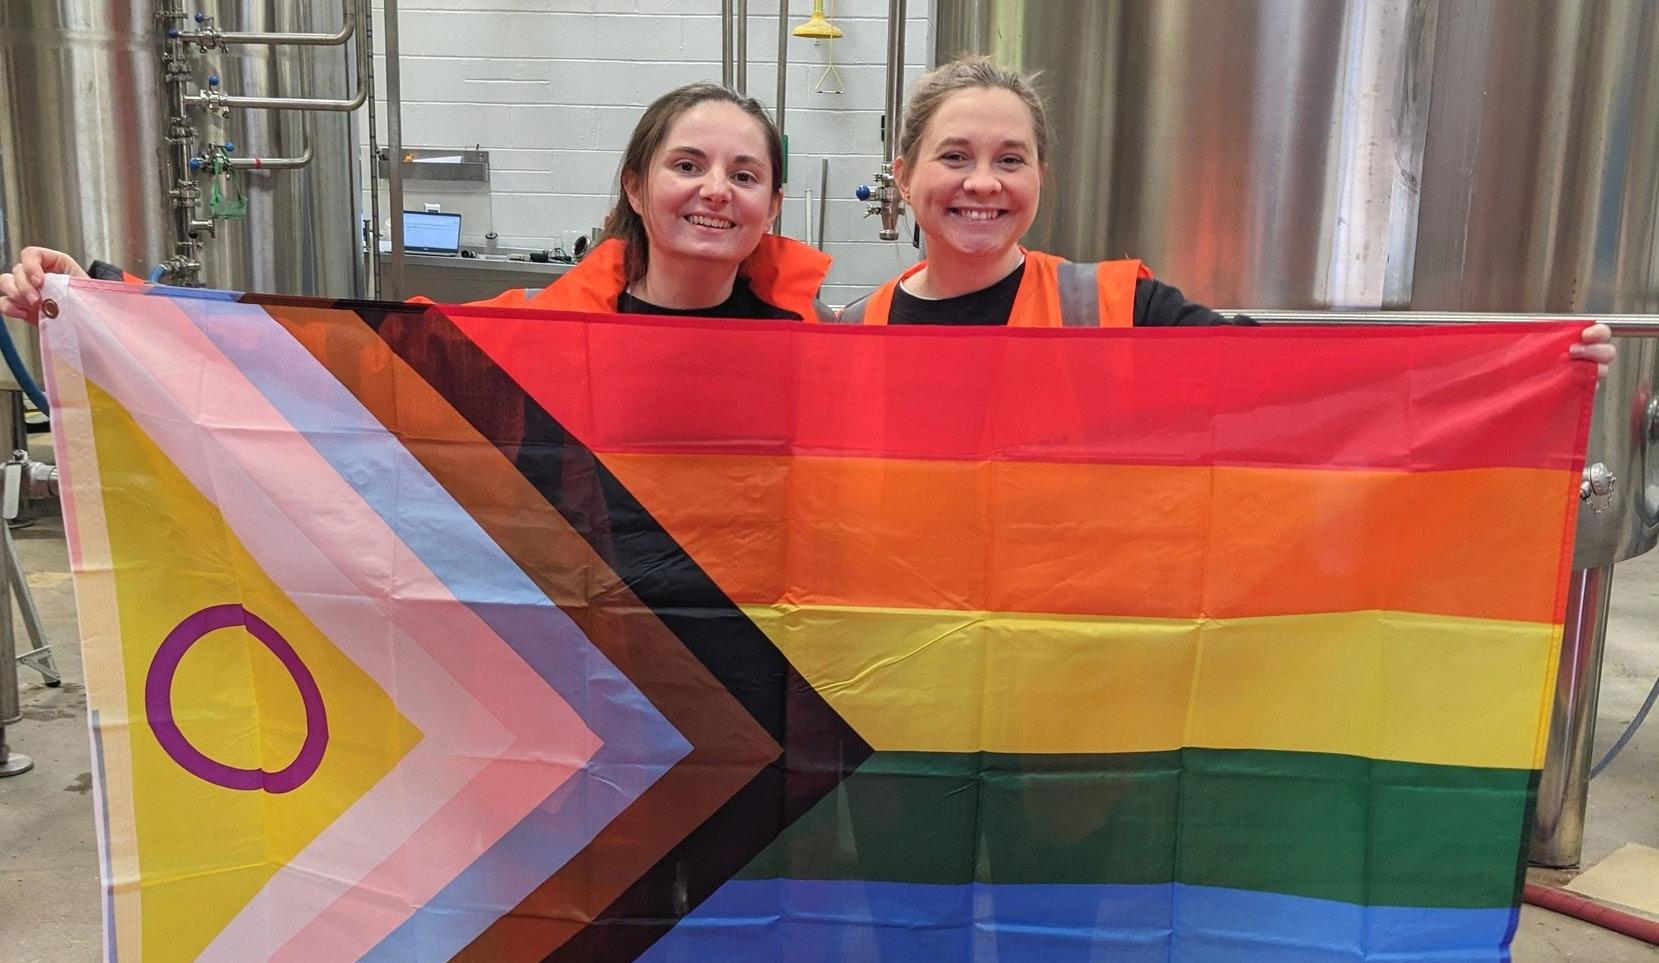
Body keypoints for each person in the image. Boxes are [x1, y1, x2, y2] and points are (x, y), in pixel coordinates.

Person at [834, 56, 1616, 374]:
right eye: (954, 155)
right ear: (903, 175)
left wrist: (1517, 364)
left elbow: (1289, 374)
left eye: (1010, 159)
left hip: (1072, 643)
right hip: (908, 652)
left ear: (1041, 177)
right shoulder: (849, 335)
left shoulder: (1111, 308)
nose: (982, 182)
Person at [0, 83, 832, 324]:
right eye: (686, 164)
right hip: (595, 650)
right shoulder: (548, 331)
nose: (715, 189)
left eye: (744, 174)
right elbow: (318, 357)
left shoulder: (817, 347)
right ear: (635, 187)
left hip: (770, 652)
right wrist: (102, 298)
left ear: (772, 204)